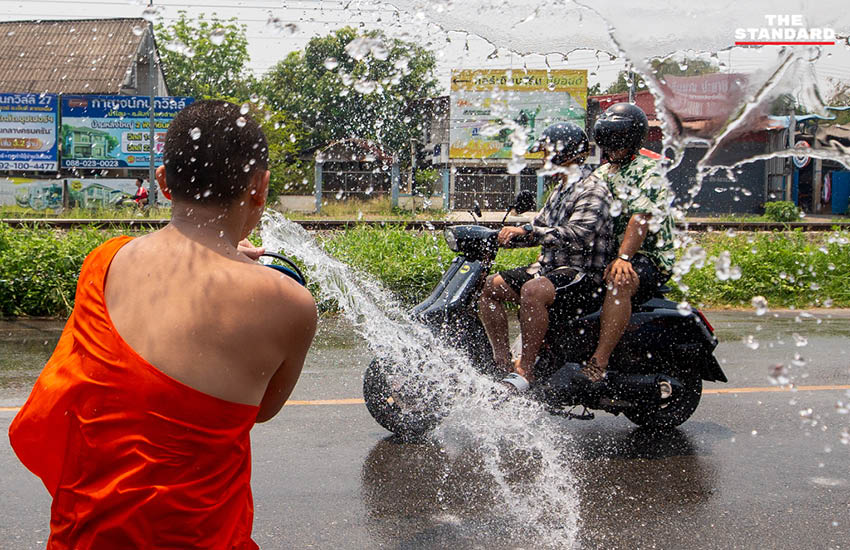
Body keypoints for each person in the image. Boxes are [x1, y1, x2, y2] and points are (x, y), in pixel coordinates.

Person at [8, 99, 318, 549]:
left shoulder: (105, 260)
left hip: (86, 535)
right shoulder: (290, 304)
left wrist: (229, 259)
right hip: (198, 537)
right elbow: (261, 409)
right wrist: (243, 268)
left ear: (163, 181)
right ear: (259, 187)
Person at [478, 122, 615, 392]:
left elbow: (579, 233)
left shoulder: (592, 189)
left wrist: (529, 229)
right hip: (552, 270)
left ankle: (525, 370)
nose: (543, 158)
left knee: (533, 290)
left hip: (581, 273)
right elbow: (539, 230)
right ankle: (503, 362)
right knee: (490, 287)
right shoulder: (560, 190)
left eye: (546, 152)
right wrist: (500, 238)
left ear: (564, 154)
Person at [582, 102, 676, 382]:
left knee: (618, 281)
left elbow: (640, 218)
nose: (612, 149)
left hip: (646, 256)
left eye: (618, 142)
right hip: (608, 254)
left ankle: (599, 361)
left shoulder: (649, 169)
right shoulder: (601, 173)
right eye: (607, 143)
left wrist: (624, 259)